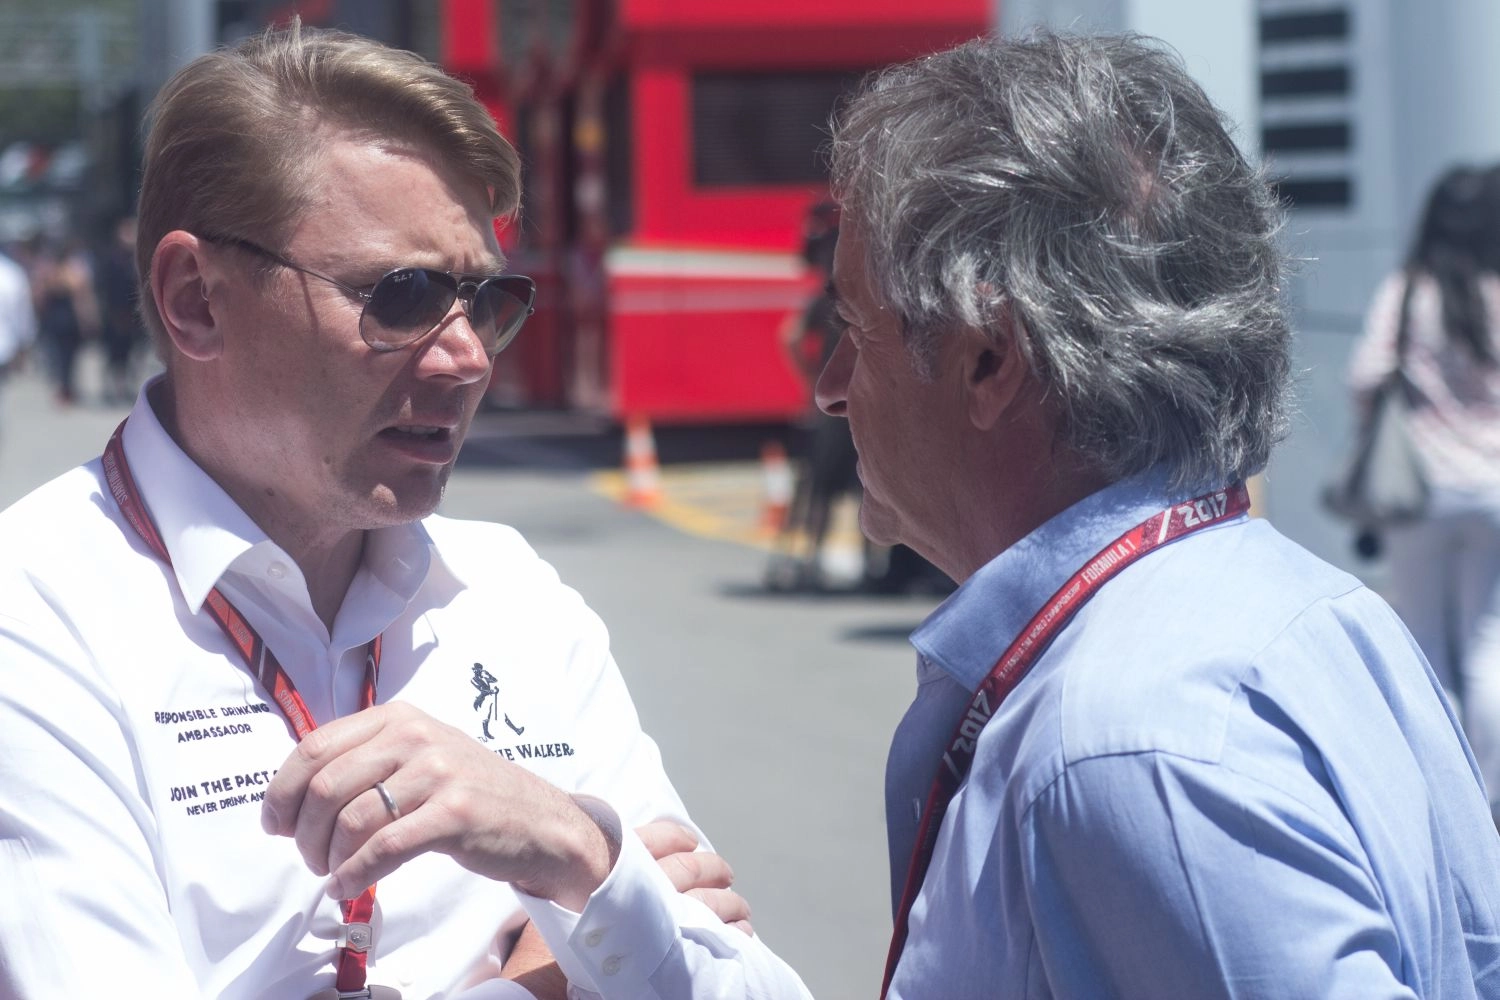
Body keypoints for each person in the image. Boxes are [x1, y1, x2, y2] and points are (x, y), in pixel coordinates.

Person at [0, 25, 809, 1000]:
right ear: (196, 299)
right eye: (405, 295)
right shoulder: (36, 612)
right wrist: (546, 978)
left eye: (486, 299)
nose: (467, 355)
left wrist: (577, 851)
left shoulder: (512, 592)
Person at [811, 31, 1500, 997]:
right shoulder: (1311, 609)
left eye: (852, 327)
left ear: (990, 358)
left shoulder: (1127, 743)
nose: (828, 386)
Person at [1346, 166, 1500, 824]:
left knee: (1425, 644)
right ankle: (1490, 795)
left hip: (1423, 491)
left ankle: (1441, 795)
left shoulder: (1410, 292)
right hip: (1494, 489)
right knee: (1488, 642)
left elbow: (1366, 374)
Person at [765, 200, 860, 591]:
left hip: (826, 406)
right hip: (854, 404)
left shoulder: (824, 299)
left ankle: (808, 558)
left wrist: (810, 380)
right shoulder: (849, 299)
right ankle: (866, 565)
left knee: (818, 485)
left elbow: (789, 336)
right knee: (857, 484)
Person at [27, 233, 100, 405]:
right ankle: (67, 389)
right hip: (70, 320)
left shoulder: (48, 273)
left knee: (58, 356)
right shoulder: (75, 272)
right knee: (70, 357)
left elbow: (39, 297)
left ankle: (64, 388)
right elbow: (81, 300)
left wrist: (39, 316)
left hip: (53, 319)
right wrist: (88, 320)